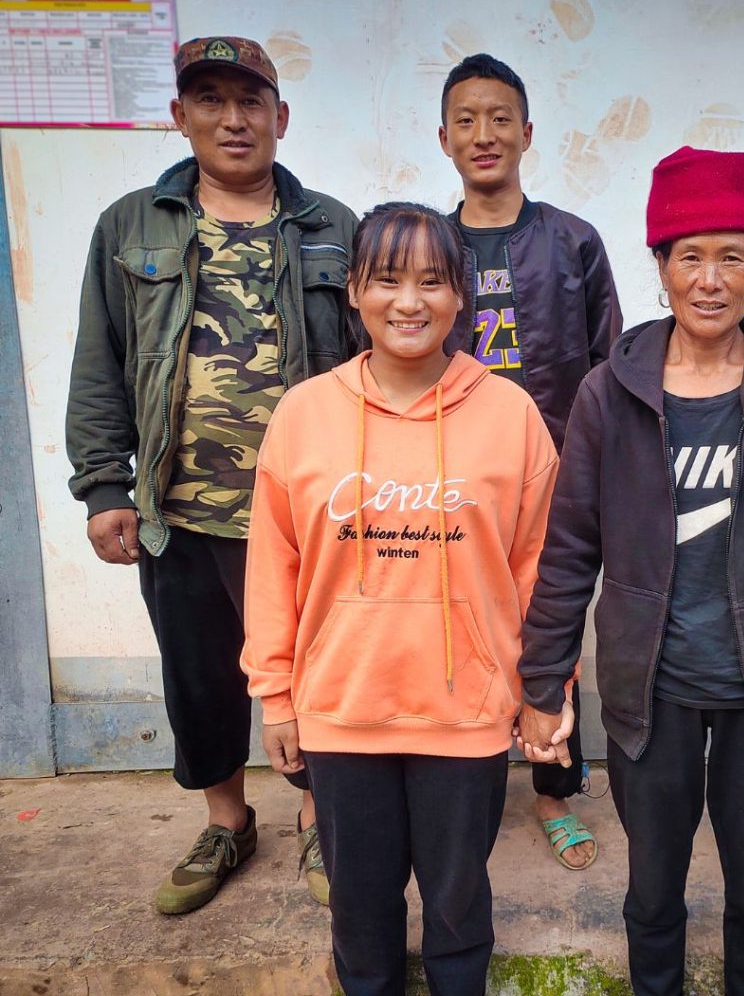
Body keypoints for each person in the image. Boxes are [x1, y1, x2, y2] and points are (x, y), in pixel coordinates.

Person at [516, 146, 744, 996]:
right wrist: (542, 681)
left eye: (732, 256)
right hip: (654, 692)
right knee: (652, 894)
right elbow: (570, 548)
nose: (710, 279)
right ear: (661, 267)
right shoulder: (612, 393)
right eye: (689, 257)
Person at [65, 36, 362, 914]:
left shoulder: (332, 227)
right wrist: (103, 488)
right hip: (182, 513)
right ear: (181, 116)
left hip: (310, 514)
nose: (233, 119)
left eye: (250, 100)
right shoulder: (132, 226)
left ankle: (319, 816)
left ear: (280, 115)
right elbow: (100, 362)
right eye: (211, 100)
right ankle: (229, 822)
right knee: (200, 678)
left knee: (316, 678)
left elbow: (374, 357)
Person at [241, 203, 558, 995]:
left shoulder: (512, 416)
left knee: (458, 906)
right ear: (353, 290)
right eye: (386, 279)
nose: (408, 301)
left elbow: (540, 569)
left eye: (432, 280)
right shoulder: (303, 415)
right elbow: (272, 568)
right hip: (342, 711)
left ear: (461, 298)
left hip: (467, 714)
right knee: (360, 906)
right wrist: (275, 696)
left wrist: (546, 690)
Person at [438, 52, 622, 870]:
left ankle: (554, 788)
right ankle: (461, 785)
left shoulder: (572, 241)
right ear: (444, 138)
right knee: (453, 633)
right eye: (468, 120)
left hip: (550, 479)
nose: (485, 135)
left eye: (500, 118)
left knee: (549, 633)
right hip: (448, 483)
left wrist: (602, 475)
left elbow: (609, 366)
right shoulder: (430, 246)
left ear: (527, 133)